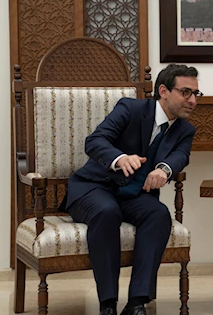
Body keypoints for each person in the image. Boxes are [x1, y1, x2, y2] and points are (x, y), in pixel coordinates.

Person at [62, 64, 202, 315]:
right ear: (163, 91)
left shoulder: (185, 130)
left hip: (132, 195)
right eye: (185, 92)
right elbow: (95, 141)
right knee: (107, 212)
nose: (192, 100)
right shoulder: (130, 108)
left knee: (158, 214)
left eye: (195, 94)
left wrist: (164, 170)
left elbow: (181, 156)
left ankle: (137, 302)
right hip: (93, 188)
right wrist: (120, 158)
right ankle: (107, 304)